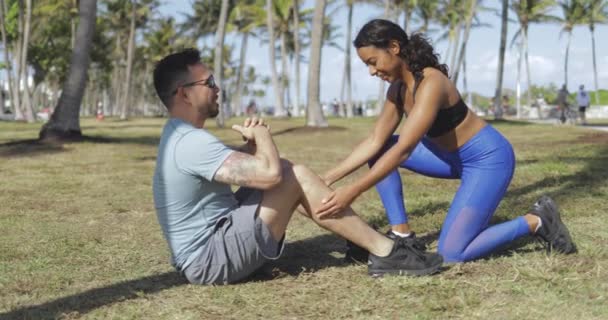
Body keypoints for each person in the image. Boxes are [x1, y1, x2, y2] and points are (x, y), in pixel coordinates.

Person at [151, 48, 443, 285]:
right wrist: (264, 136)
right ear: (184, 94)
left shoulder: (181, 135)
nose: (217, 89)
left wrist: (251, 148)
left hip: (212, 247)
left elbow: (228, 167)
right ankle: (387, 251)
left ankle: (363, 241)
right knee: (291, 175)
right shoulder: (190, 141)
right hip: (209, 260)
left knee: (291, 173)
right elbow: (269, 175)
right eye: (209, 83)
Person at [318, 19, 576, 264]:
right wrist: (328, 178)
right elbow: (375, 140)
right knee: (382, 147)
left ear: (394, 47)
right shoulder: (397, 89)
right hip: (443, 157)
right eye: (367, 65)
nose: (372, 71)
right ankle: (402, 235)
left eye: (373, 62)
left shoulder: (432, 82)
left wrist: (352, 191)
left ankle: (537, 220)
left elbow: (405, 149)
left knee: (452, 252)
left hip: (487, 161)